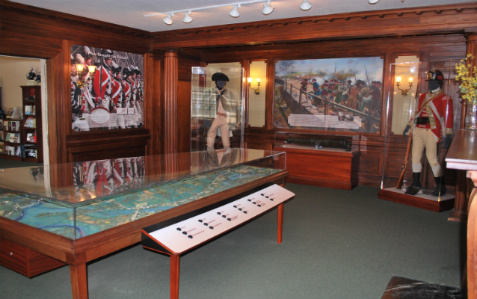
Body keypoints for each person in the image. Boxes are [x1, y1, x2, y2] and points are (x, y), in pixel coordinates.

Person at [403, 70, 454, 196]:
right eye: (430, 81)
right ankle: (416, 183)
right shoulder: (422, 96)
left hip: (432, 131)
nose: (430, 84)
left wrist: (448, 134)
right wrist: (409, 126)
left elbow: (449, 117)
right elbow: (417, 112)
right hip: (418, 130)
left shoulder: (445, 98)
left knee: (432, 159)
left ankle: (440, 186)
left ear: (439, 82)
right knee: (415, 158)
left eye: (433, 81)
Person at [206, 72, 239, 151]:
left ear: (225, 83)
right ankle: (209, 151)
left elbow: (234, 106)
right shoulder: (211, 92)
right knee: (211, 133)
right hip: (215, 117)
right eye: (219, 81)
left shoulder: (229, 93)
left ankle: (227, 154)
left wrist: (233, 119)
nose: (221, 83)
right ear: (216, 82)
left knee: (225, 135)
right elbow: (206, 106)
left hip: (225, 117)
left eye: (223, 82)